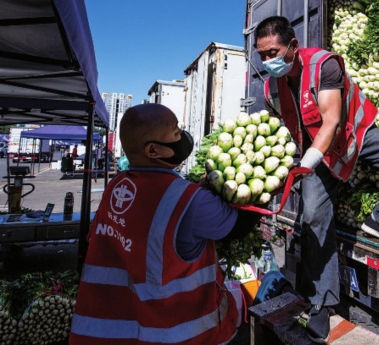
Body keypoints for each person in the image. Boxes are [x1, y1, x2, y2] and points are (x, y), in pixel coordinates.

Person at [254, 16, 379, 342]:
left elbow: (332, 119)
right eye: (262, 55)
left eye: (273, 52)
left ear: (293, 46)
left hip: (353, 137)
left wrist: (307, 162)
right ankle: (322, 303)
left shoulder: (324, 65)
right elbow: (284, 130)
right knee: (315, 219)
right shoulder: (269, 88)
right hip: (317, 154)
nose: (268, 61)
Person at [69, 103, 262, 345]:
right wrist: (264, 191)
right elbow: (237, 228)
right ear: (153, 150)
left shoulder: (117, 187)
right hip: (170, 334)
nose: (182, 136)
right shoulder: (189, 201)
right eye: (176, 132)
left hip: (100, 331)